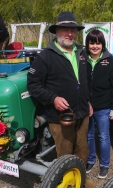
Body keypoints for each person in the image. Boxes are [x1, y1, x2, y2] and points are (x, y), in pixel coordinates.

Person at [27, 11, 94, 187]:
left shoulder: (81, 52)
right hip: (60, 116)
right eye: (65, 30)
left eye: (72, 30)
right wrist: (53, 98)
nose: (69, 34)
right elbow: (33, 85)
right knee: (64, 155)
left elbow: (85, 80)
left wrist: (88, 101)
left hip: (82, 111)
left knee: (82, 151)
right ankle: (65, 183)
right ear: (56, 32)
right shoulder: (45, 56)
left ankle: (80, 180)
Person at [83, 29, 113, 179]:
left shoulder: (110, 61)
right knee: (89, 135)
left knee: (104, 136)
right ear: (87, 44)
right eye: (92, 43)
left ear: (103, 45)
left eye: (98, 43)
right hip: (86, 106)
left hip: (104, 107)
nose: (95, 46)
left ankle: (105, 164)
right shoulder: (82, 59)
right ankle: (91, 159)